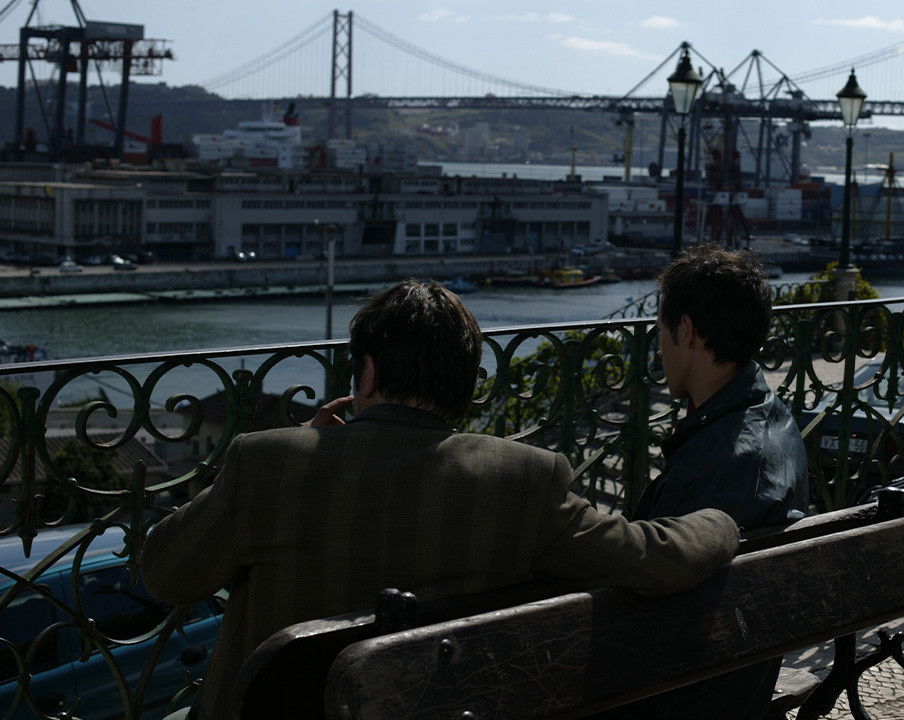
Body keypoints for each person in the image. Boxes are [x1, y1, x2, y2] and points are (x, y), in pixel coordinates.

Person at [142, 280, 741, 720]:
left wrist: (300, 449)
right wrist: (725, 519)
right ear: (464, 384)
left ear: (368, 374)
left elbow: (164, 574)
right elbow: (661, 558)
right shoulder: (521, 480)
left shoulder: (268, 463)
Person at [615, 244, 808, 719]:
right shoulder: (774, 424)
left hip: (684, 693)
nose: (660, 346)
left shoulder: (721, 461)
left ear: (686, 331)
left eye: (663, 331)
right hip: (740, 676)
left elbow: (646, 594)